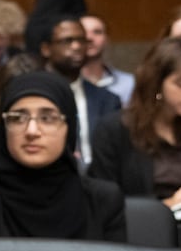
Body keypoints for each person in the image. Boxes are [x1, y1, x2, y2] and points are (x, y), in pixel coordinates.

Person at [0, 72, 127, 241]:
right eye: (18, 118)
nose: (32, 131)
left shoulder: (103, 200)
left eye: (47, 118)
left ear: (69, 127)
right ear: (4, 128)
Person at [88, 37, 181, 217]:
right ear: (156, 83)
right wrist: (164, 206)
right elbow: (103, 199)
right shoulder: (115, 129)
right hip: (141, 230)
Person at [39, 16, 121, 168]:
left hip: (97, 184)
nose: (76, 46)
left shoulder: (108, 100)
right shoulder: (32, 96)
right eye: (67, 41)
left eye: (81, 40)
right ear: (46, 49)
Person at [81, 14, 134, 105]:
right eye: (83, 32)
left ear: (106, 39)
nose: (89, 38)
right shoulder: (63, 85)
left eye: (97, 32)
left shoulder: (130, 84)